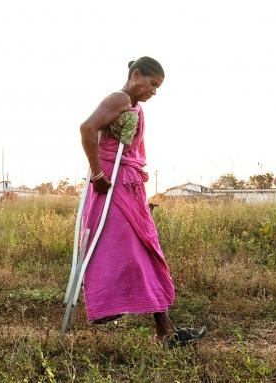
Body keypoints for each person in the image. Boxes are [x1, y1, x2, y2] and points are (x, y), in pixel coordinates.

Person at [78, 57, 205, 346]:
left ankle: (165, 330)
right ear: (136, 76)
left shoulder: (134, 106)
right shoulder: (119, 98)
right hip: (109, 183)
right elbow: (87, 129)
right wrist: (97, 173)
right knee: (125, 250)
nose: (154, 92)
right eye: (153, 84)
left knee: (145, 250)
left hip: (128, 183)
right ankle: (112, 308)